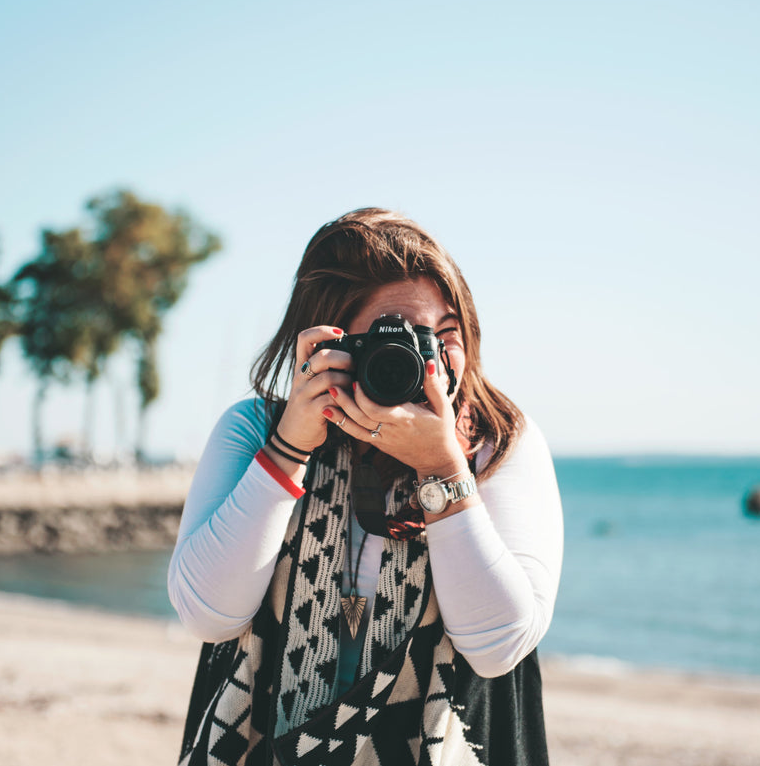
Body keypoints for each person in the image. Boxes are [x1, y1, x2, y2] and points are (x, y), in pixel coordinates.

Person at [168, 208, 563, 766]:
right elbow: (207, 615)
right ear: (328, 343)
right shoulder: (256, 430)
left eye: (444, 333)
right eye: (393, 338)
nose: (427, 364)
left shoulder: (499, 444)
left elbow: (498, 647)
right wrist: (287, 451)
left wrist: (443, 469)